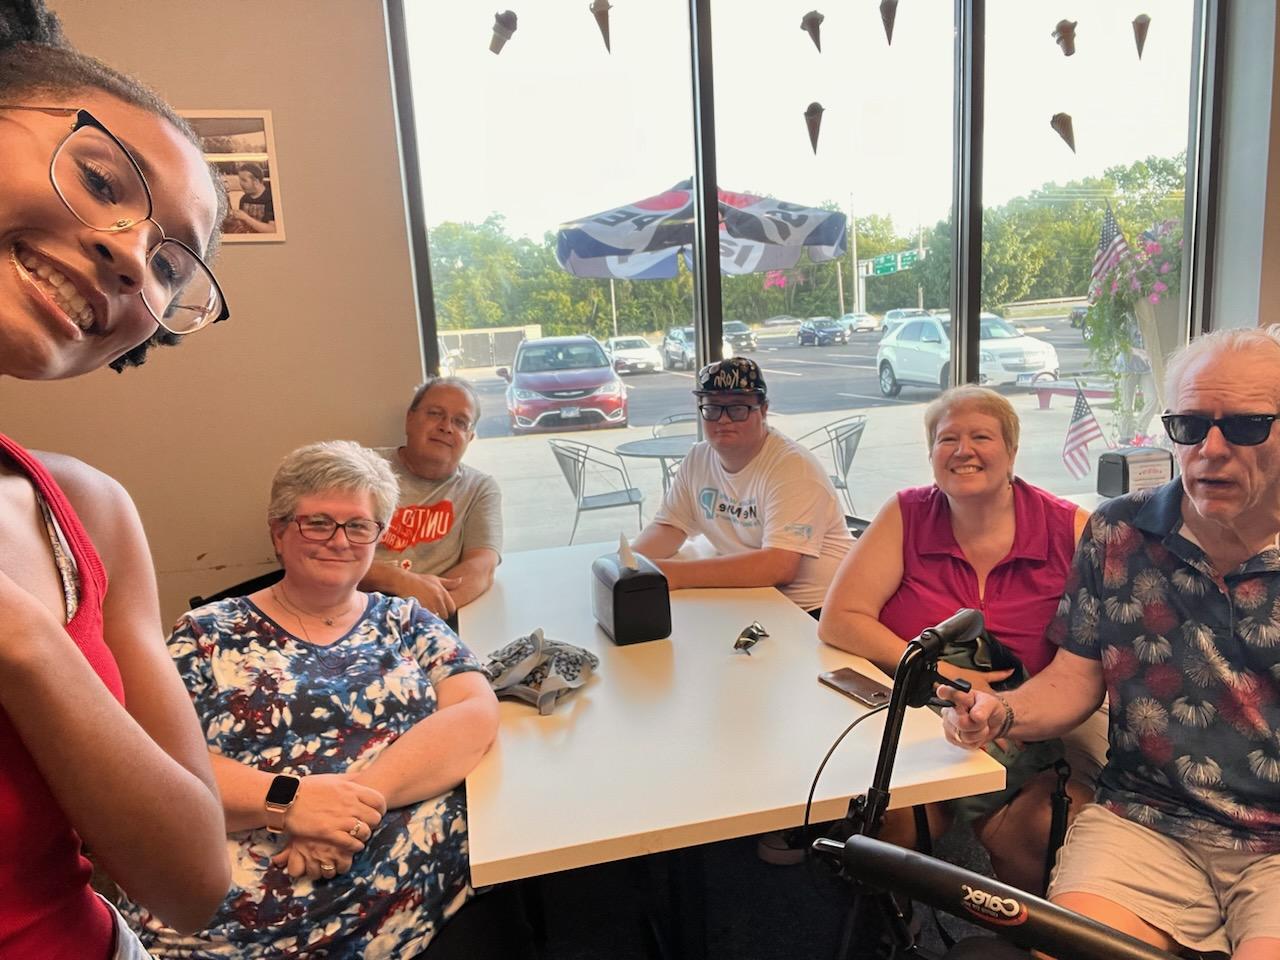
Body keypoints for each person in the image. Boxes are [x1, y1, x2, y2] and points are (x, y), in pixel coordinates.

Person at [0, 5, 235, 957]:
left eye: (170, 267)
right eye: (101, 179)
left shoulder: (84, 513)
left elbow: (192, 879)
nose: (130, 255)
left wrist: (26, 641)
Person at [939, 326, 1280, 959]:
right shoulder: (1119, 531)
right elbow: (1076, 677)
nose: (1211, 449)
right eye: (1189, 425)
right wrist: (1003, 712)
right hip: (1147, 819)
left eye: (1246, 426)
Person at [123, 441, 500, 958]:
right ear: (279, 532)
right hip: (226, 917)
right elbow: (156, 763)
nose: (339, 541)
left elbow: (475, 713)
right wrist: (288, 802)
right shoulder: (206, 633)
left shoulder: (406, 621)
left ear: (378, 538)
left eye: (359, 525)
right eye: (317, 522)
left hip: (396, 901)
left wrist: (345, 808)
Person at [819, 385, 1096, 893]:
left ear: (1012, 452)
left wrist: (1007, 707)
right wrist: (946, 676)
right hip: (915, 722)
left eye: (981, 437)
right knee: (884, 828)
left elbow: (1096, 654)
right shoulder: (905, 513)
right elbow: (840, 618)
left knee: (1044, 829)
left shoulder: (1071, 529)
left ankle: (1020, 938)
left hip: (1023, 727)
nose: (963, 450)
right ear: (931, 456)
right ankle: (892, 930)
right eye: (947, 439)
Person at [632, 356, 852, 617]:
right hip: (751, 597)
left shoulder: (793, 468)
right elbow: (671, 526)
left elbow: (778, 567)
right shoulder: (698, 458)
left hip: (813, 610)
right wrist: (629, 566)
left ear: (764, 410)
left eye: (737, 408)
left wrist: (670, 574)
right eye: (712, 408)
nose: (723, 420)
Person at [361, 377, 502, 620]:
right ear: (410, 418)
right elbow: (322, 555)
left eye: (460, 422)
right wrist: (399, 580)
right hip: (352, 611)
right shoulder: (362, 469)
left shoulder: (479, 488)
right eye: (435, 414)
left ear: (469, 437)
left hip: (429, 620)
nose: (446, 427)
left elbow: (481, 568)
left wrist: (418, 616)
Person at [227, 162, 275, 234]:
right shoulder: (244, 199)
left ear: (256, 181)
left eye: (244, 180)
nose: (241, 183)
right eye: (240, 180)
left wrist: (246, 218)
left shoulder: (271, 199)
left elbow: (272, 230)